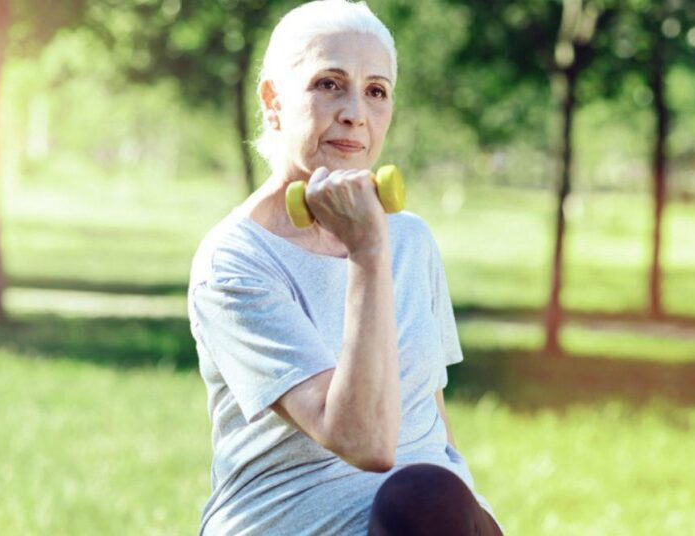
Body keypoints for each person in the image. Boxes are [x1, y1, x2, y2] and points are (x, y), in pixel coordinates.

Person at [186, 1, 505, 534]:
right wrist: (367, 254)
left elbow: (431, 426)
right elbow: (366, 444)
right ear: (273, 101)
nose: (355, 112)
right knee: (420, 495)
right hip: (305, 521)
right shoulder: (235, 263)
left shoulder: (412, 240)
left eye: (376, 91)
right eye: (329, 84)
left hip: (426, 519)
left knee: (431, 492)